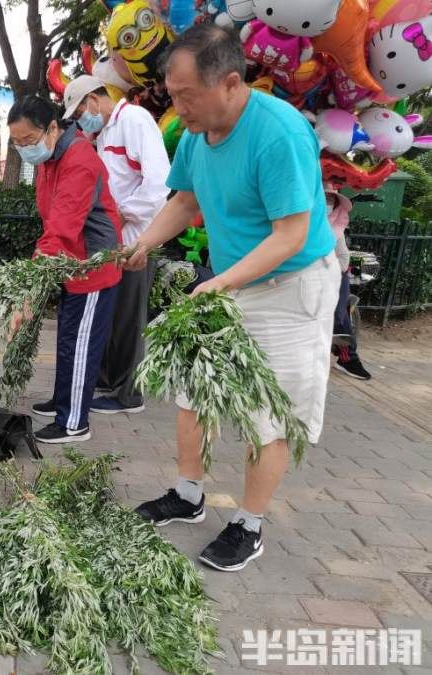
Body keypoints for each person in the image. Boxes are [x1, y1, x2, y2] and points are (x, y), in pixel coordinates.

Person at [127, 24, 338, 572]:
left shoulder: (279, 133)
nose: (176, 106)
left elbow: (291, 233)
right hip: (234, 283)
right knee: (192, 390)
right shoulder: (197, 135)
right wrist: (145, 242)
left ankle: (249, 523)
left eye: (184, 95)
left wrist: (219, 283)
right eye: (171, 94)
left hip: (292, 287)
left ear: (228, 83)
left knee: (268, 410)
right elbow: (186, 199)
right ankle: (188, 493)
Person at [7, 95, 123, 444]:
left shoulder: (79, 161)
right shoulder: (50, 159)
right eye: (17, 143)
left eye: (28, 140)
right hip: (68, 262)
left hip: (91, 266)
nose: (25, 149)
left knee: (81, 344)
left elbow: (62, 228)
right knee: (68, 338)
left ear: (53, 128)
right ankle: (63, 401)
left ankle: (74, 422)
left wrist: (28, 293)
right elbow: (51, 221)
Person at [62, 74, 171, 415]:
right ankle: (109, 381)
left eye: (80, 113)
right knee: (114, 314)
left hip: (136, 237)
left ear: (94, 99)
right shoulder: (106, 131)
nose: (82, 121)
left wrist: (124, 214)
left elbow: (160, 182)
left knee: (128, 317)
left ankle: (129, 393)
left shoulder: (135, 120)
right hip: (113, 240)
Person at [326, 186, 371, 380]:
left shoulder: (337, 229)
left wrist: (321, 267)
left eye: (330, 200)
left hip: (331, 275)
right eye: (324, 198)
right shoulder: (300, 222)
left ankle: (347, 357)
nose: (327, 203)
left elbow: (343, 260)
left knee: (339, 310)